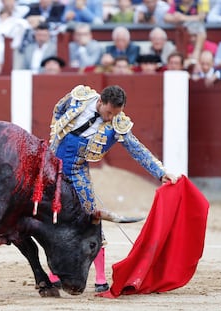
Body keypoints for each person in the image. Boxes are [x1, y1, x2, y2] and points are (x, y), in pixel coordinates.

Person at [48, 84, 178, 292]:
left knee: (93, 221)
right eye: (108, 112)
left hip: (77, 172)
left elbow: (137, 149)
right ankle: (52, 275)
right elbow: (58, 109)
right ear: (100, 102)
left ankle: (100, 278)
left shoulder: (117, 123)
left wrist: (161, 173)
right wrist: (55, 134)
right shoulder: (80, 98)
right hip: (50, 166)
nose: (110, 118)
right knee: (48, 219)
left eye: (115, 113)